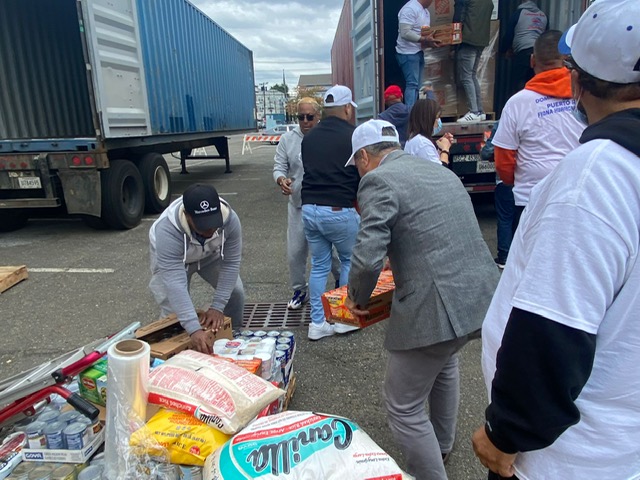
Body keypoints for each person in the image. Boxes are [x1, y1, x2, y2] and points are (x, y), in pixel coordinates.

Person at [472, 1, 640, 478]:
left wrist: (506, 435)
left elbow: (553, 329)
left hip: (569, 457)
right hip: (623, 445)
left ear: (576, 79)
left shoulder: (597, 178)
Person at [344, 119, 500, 479]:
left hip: (436, 303)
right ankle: (442, 445)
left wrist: (356, 296)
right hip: (478, 294)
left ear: (364, 156)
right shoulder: (437, 172)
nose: (359, 172)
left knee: (403, 405)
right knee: (444, 363)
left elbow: (367, 255)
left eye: (357, 165)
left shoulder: (377, 180)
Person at [492, 30, 584, 233]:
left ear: (532, 60)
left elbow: (503, 159)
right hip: (577, 198)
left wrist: (513, 180)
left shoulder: (517, 103)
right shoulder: (584, 97)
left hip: (529, 200)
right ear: (567, 60)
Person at [149, 184, 245, 354]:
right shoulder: (167, 230)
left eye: (213, 223)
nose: (209, 230)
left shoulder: (230, 219)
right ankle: (167, 354)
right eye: (203, 225)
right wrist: (194, 328)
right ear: (187, 215)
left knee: (235, 292)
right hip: (177, 258)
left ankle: (233, 334)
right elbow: (175, 283)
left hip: (209, 254)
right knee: (173, 313)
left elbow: (231, 263)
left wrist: (217, 307)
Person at [301, 85, 361, 341]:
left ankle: (317, 324)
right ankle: (343, 320)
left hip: (309, 209)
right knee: (348, 261)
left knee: (319, 266)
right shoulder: (354, 135)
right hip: (339, 210)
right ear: (347, 108)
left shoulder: (310, 137)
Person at [273, 97, 340, 310]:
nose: (305, 121)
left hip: (324, 202)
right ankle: (299, 290)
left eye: (309, 117)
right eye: (300, 117)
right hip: (298, 204)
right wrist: (281, 179)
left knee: (334, 251)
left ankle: (340, 282)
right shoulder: (288, 139)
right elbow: (279, 166)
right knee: (295, 251)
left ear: (318, 116)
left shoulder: (327, 138)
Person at [395, 0, 442, 109]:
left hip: (418, 52)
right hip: (407, 53)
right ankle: (409, 114)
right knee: (412, 84)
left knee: (417, 86)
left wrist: (430, 42)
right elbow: (405, 32)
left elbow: (423, 33)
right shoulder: (410, 9)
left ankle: (414, 112)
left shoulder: (425, 12)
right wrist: (424, 39)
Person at [454, 0, 494, 123]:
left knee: (466, 76)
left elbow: (459, 17)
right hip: (481, 41)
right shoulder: (489, 2)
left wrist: (454, 44)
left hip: (468, 40)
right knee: (472, 75)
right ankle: (480, 111)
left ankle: (474, 111)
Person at [481, 121, 514, 269]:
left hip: (507, 178)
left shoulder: (503, 123)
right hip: (529, 179)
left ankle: (504, 257)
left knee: (505, 218)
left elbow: (487, 152)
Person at [502, 0, 548, 97]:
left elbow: (509, 35)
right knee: (533, 84)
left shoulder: (519, 13)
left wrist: (503, 50)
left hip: (523, 52)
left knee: (518, 83)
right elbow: (545, 36)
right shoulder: (543, 16)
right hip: (537, 54)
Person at [404, 98, 454, 165]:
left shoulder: (415, 139)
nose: (439, 121)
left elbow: (430, 161)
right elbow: (440, 170)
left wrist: (440, 148)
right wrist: (445, 149)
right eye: (437, 117)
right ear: (428, 119)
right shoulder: (423, 144)